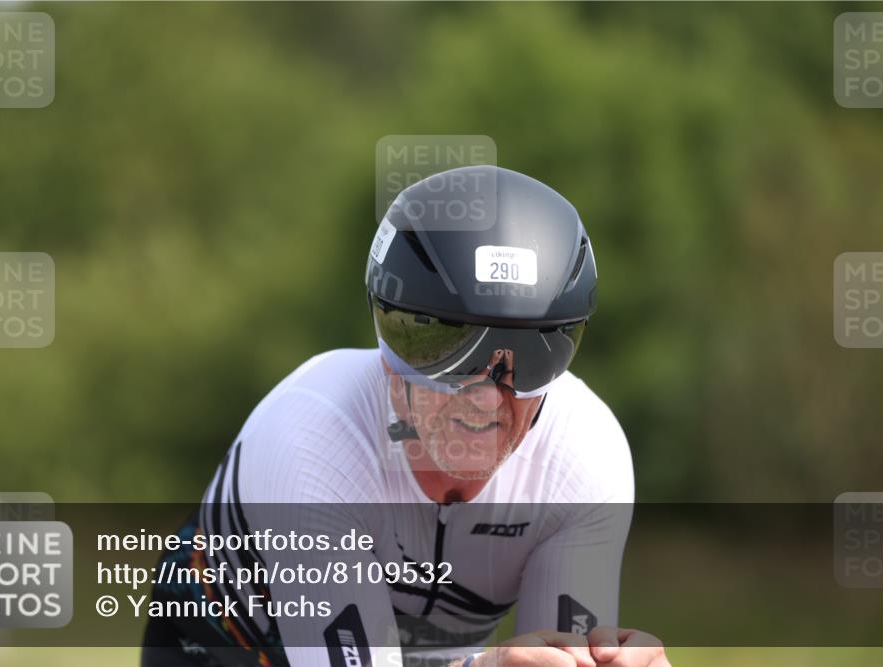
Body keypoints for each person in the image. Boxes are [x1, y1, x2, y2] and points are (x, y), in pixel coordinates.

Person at [141, 166, 670, 667]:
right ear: (389, 348)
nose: (487, 398)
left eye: (533, 355)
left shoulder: (583, 457)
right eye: (447, 350)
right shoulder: (313, 436)